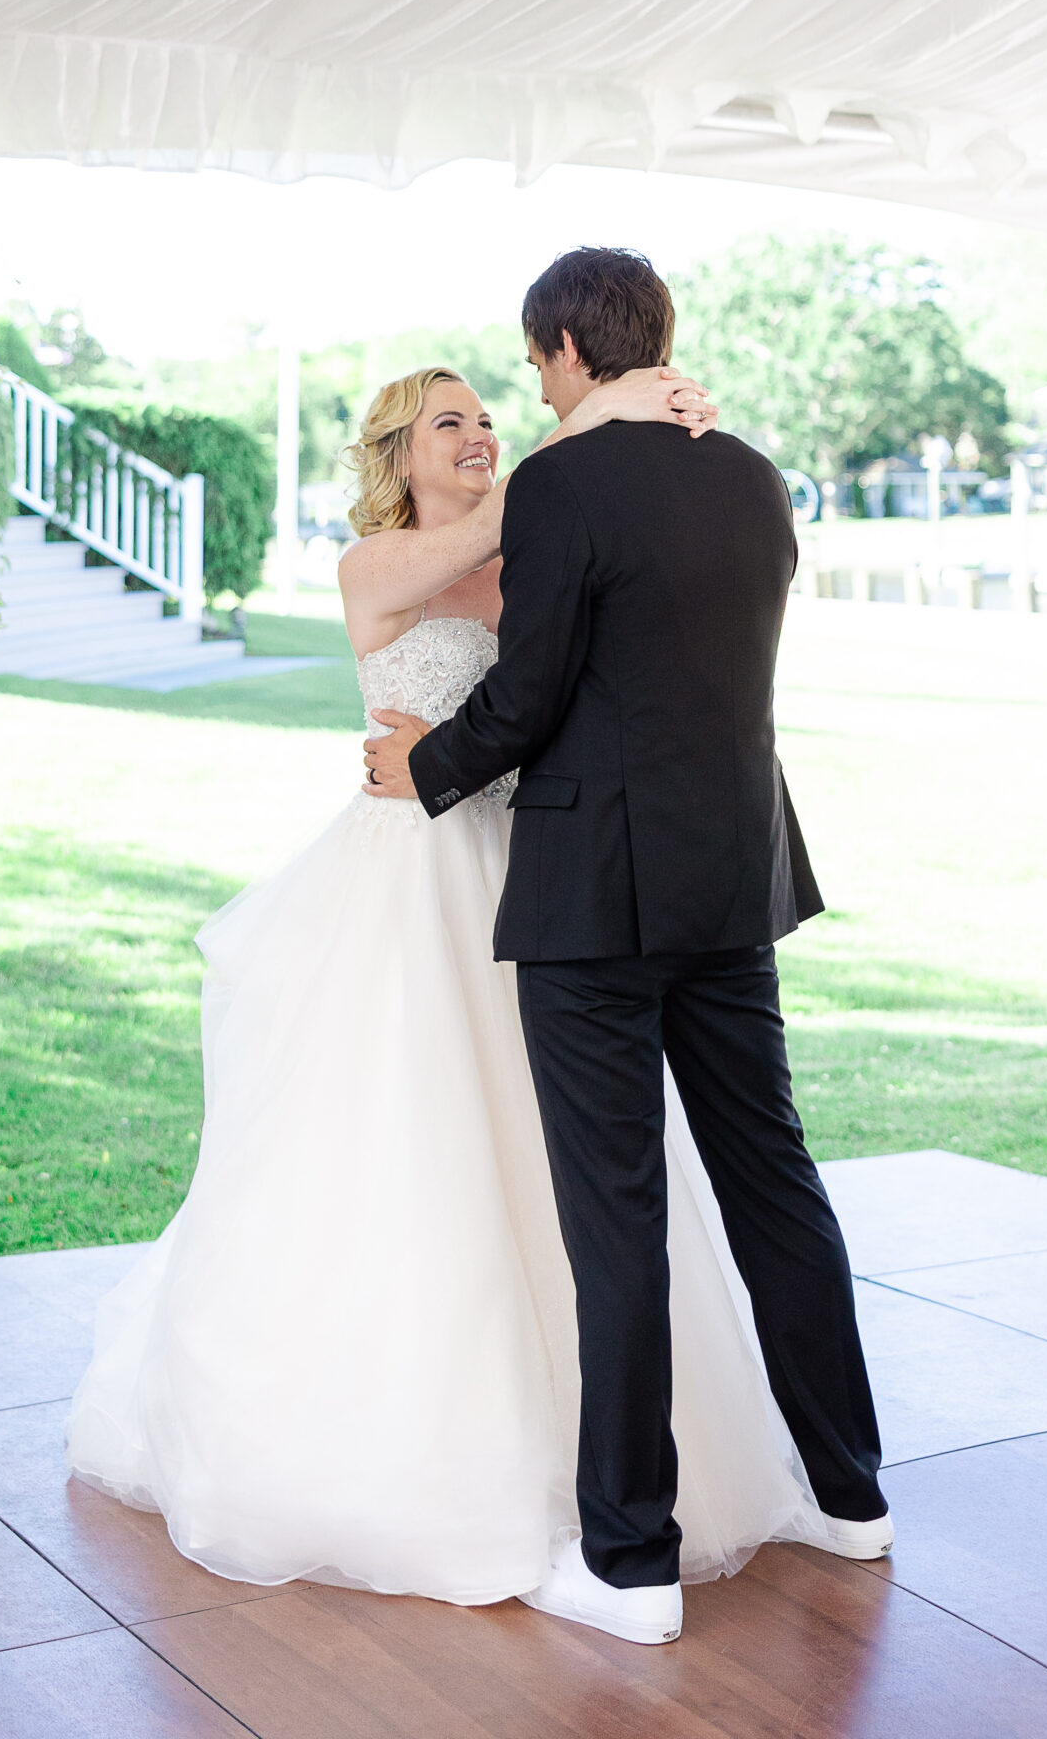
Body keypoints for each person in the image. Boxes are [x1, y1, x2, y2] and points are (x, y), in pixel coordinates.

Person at [66, 348, 827, 1611]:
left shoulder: (541, 544)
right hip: (406, 884)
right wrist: (607, 420)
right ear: (397, 456)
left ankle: (596, 1462)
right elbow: (499, 549)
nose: (476, 432)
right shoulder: (383, 566)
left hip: (539, 875)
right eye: (447, 424)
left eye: (486, 413)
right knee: (403, 1143)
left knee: (557, 1174)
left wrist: (610, 437)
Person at [365, 246, 885, 1648]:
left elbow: (526, 696)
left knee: (617, 1221)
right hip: (733, 877)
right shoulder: (752, 474)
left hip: (595, 893)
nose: (528, 395)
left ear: (561, 352)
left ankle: (630, 1564)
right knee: (773, 1181)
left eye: (533, 369)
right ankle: (851, 1497)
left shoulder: (559, 485)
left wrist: (423, 771)